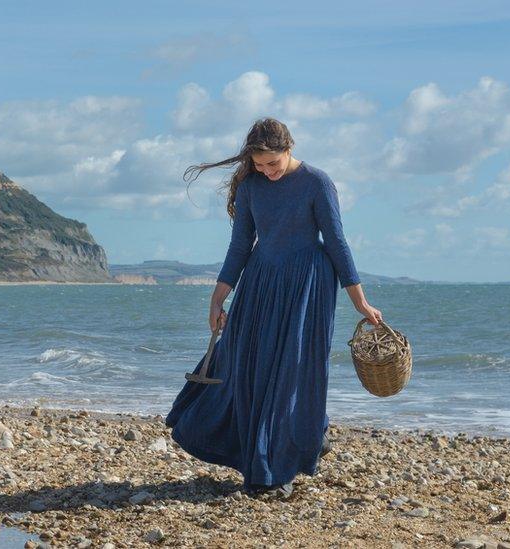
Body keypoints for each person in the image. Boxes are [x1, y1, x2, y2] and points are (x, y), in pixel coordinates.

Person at [164, 117, 382, 499]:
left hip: (307, 285)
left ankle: (275, 470)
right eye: (259, 165)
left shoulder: (318, 183)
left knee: (291, 372)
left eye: (273, 164)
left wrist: (358, 300)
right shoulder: (250, 187)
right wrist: (218, 298)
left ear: (289, 149)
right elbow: (239, 246)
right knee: (247, 366)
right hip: (261, 282)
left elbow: (336, 242)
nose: (267, 172)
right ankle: (299, 440)